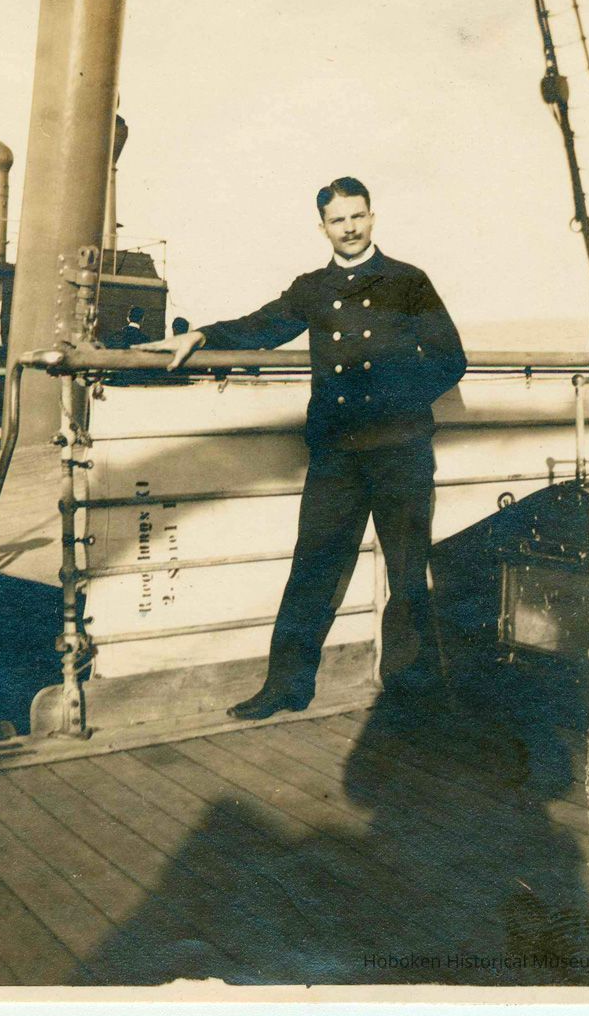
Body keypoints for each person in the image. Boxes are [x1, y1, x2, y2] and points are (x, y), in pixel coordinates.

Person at [140, 177, 467, 720]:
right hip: (338, 452)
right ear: (323, 228)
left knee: (408, 571)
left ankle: (410, 692)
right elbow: (261, 327)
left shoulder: (409, 281)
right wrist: (200, 335)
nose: (351, 228)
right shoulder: (312, 288)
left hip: (400, 446)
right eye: (338, 220)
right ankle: (285, 686)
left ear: (372, 216)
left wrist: (392, 398)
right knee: (313, 566)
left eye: (358, 216)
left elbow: (448, 357)